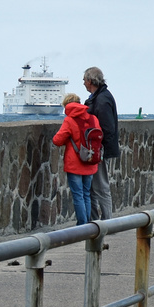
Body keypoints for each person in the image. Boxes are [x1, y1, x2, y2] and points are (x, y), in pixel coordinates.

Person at [52, 92, 103, 226]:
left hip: (75, 162)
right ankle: (87, 225)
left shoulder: (70, 120)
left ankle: (82, 225)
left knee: (78, 195)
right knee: (86, 193)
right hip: (91, 160)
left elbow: (57, 140)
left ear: (66, 106)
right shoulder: (93, 118)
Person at [83, 68, 119, 220]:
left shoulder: (102, 99)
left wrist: (101, 149)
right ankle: (96, 221)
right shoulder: (101, 97)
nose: (83, 83)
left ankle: (107, 221)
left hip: (99, 149)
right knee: (93, 187)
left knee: (101, 187)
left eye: (84, 80)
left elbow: (106, 128)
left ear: (90, 81)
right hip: (98, 149)